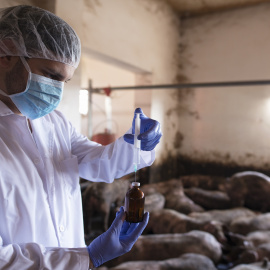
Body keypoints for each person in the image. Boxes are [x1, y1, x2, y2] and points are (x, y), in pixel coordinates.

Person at [0, 5, 162, 270]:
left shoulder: (54, 122)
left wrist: (136, 145)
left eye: (64, 81)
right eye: (51, 75)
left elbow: (97, 161)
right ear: (6, 53)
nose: (57, 91)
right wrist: (86, 258)